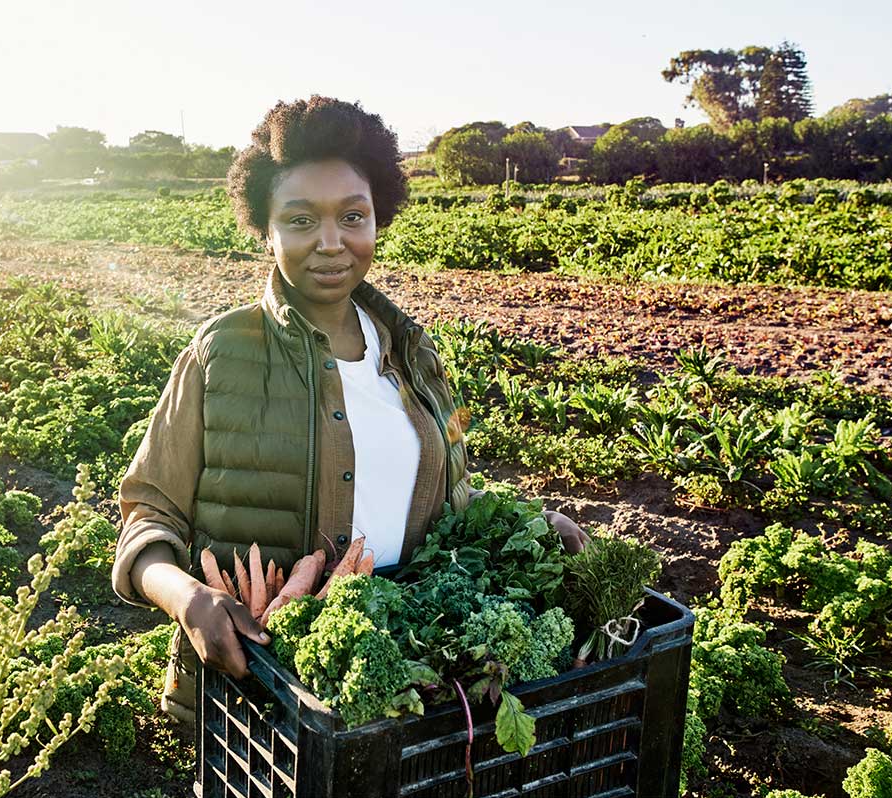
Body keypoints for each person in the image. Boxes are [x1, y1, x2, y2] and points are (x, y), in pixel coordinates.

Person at [111, 96, 590, 724]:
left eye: (352, 217)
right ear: (267, 228)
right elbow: (148, 515)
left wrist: (532, 523)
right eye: (302, 219)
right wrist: (188, 598)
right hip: (259, 680)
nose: (331, 244)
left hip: (394, 677)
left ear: (377, 219)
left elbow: (448, 500)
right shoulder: (221, 354)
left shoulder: (415, 356)